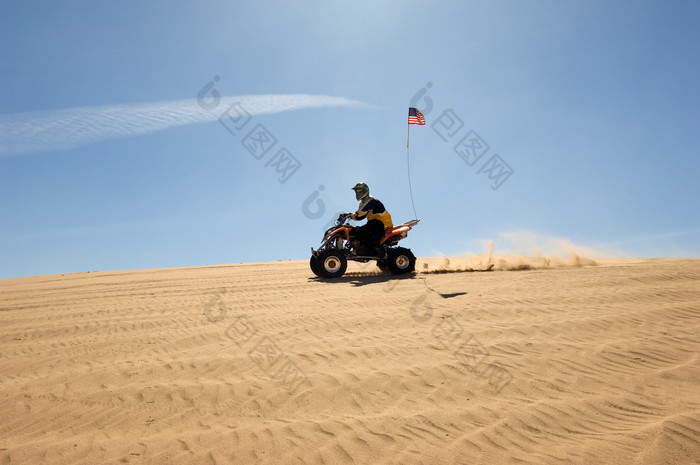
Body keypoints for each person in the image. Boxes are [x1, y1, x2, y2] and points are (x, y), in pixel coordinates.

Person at [349, 182, 393, 253]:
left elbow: (361, 212)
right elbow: (361, 217)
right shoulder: (362, 204)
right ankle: (359, 249)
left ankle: (371, 250)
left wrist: (353, 214)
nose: (358, 193)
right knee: (354, 231)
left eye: (360, 191)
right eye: (356, 191)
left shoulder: (371, 200)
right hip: (374, 225)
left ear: (365, 191)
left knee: (361, 231)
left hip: (383, 225)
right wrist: (350, 216)